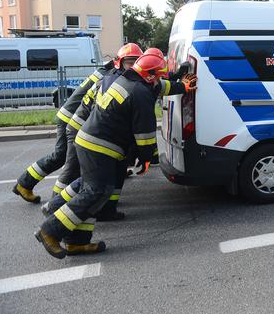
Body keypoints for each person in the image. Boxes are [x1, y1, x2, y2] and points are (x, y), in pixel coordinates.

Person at [35, 52, 168, 258]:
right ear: (150, 75)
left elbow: (160, 89)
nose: (159, 80)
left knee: (89, 187)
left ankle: (76, 241)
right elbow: (144, 136)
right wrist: (148, 157)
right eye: (158, 75)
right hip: (100, 145)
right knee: (97, 191)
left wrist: (182, 85)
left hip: (89, 140)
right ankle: (50, 230)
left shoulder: (122, 79)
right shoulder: (140, 92)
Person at [40, 43, 144, 218]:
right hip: (81, 128)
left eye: (136, 62)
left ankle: (106, 209)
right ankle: (55, 203)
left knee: (112, 173)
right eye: (129, 62)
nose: (132, 66)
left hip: (95, 132)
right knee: (74, 170)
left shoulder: (128, 80)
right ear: (119, 62)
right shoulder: (112, 79)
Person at [12, 59, 116, 204]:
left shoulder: (106, 70)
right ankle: (30, 186)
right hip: (72, 117)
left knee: (62, 156)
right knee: (64, 157)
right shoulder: (111, 75)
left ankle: (25, 184)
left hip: (70, 114)